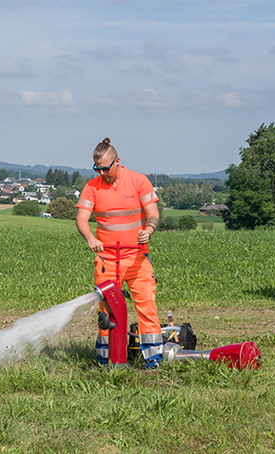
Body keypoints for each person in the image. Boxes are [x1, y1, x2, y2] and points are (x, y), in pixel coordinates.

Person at [74, 138, 164, 366]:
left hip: (136, 258)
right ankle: (107, 361)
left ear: (117, 161)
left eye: (106, 167)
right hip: (107, 260)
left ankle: (154, 361)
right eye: (98, 169)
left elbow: (153, 214)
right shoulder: (92, 187)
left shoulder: (139, 181)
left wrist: (149, 230)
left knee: (146, 307)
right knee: (107, 311)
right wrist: (91, 238)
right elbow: (82, 218)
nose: (102, 173)